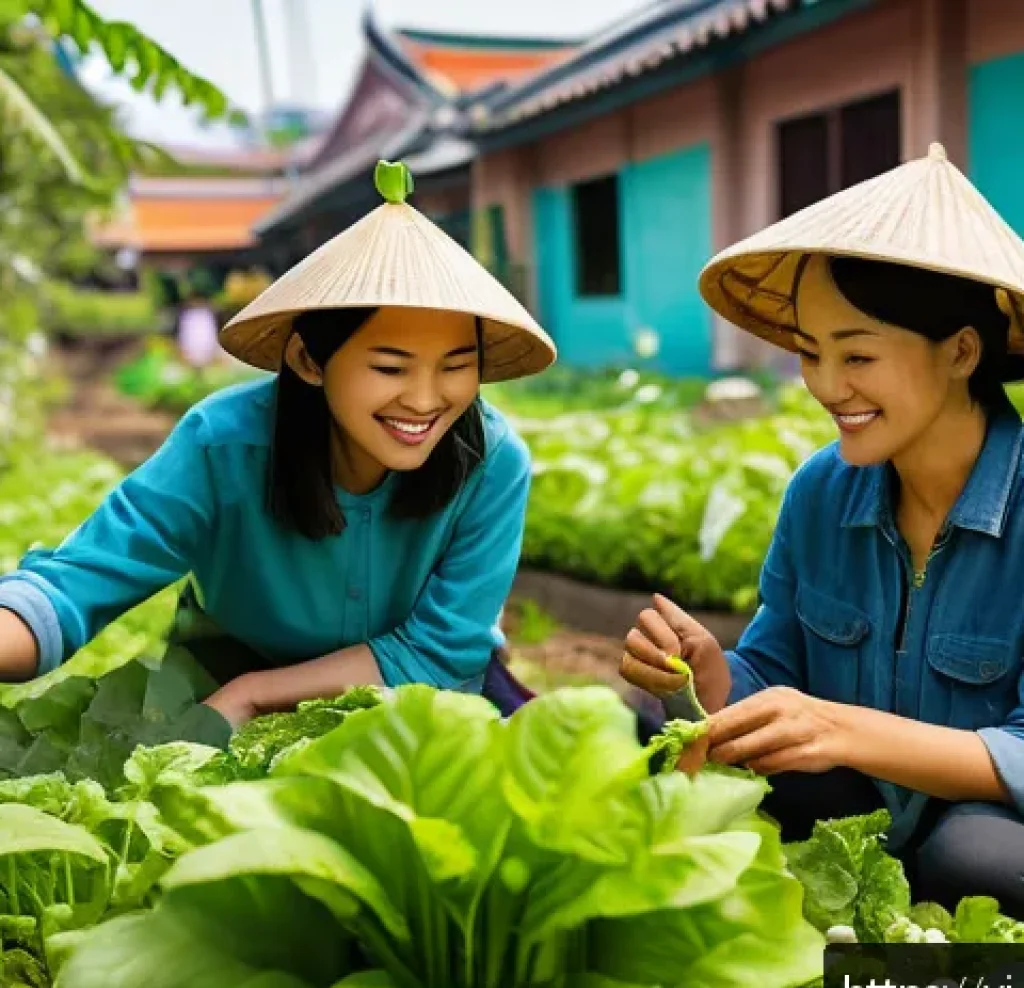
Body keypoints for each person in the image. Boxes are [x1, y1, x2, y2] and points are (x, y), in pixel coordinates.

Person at [0, 160, 555, 727]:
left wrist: (257, 694)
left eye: (456, 366)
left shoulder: (491, 460)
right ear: (309, 360)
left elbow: (442, 649)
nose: (424, 399)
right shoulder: (223, 444)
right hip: (217, 686)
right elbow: (75, 583)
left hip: (411, 705)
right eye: (391, 368)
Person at [620, 143, 1024, 918]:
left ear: (961, 353)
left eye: (858, 355)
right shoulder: (819, 491)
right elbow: (773, 673)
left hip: (988, 834)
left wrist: (839, 727)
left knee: (973, 858)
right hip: (864, 821)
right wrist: (705, 677)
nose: (827, 387)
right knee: (647, 731)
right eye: (810, 353)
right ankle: (875, 976)